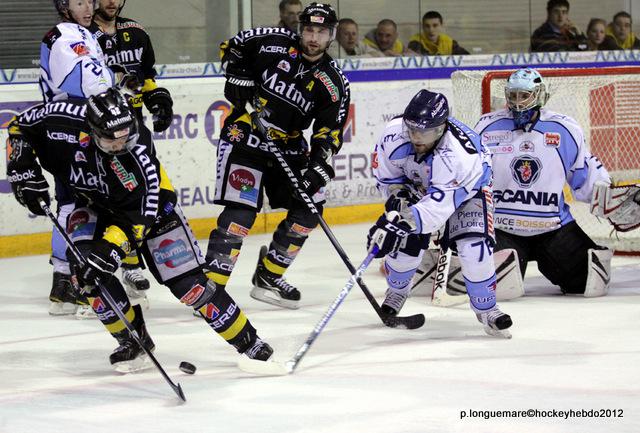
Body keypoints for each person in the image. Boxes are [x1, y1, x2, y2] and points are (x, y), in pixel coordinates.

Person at [6, 89, 273, 372]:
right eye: (112, 139)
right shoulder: (61, 119)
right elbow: (19, 126)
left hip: (153, 213)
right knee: (85, 271)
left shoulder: (138, 152)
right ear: (92, 129)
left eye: (126, 135)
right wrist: (23, 173)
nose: (122, 144)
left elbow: (138, 217)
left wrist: (109, 250)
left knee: (190, 285)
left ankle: (249, 342)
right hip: (92, 204)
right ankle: (133, 339)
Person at [206, 2, 350, 309]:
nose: (313, 37)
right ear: (300, 29)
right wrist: (238, 74)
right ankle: (212, 286)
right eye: (309, 29)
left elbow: (329, 133)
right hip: (246, 136)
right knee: (240, 214)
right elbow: (232, 46)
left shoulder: (334, 82)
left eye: (321, 32)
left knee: (309, 210)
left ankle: (269, 276)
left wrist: (317, 166)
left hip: (289, 146)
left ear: (331, 36)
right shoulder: (272, 42)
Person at [367, 89, 513, 338]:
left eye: (425, 132)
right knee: (404, 245)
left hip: (468, 192)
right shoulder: (393, 134)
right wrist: (397, 199)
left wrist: (403, 222)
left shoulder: (459, 156)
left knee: (474, 248)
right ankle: (398, 291)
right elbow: (387, 178)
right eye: (412, 129)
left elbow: (438, 208)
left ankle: (488, 309)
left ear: (441, 127)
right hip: (416, 186)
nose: (416, 137)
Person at [474, 68, 613, 297]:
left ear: (538, 96)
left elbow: (584, 176)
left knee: (589, 283)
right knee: (498, 290)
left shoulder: (565, 128)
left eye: (524, 95)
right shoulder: (486, 127)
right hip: (501, 228)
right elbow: (470, 176)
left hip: (552, 227)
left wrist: (609, 198)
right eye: (514, 95)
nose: (518, 102)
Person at [92, 0, 174, 306]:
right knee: (104, 201)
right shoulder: (82, 36)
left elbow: (146, 77)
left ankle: (131, 263)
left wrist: (159, 100)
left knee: (142, 196)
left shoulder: (136, 32)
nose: (112, 1)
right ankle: (81, 269)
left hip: (135, 131)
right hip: (100, 133)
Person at [40, 0, 116, 316]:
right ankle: (74, 279)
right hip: (70, 128)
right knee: (79, 203)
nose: (87, 7)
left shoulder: (83, 34)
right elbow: (89, 81)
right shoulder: (64, 33)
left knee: (72, 201)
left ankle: (63, 283)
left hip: (70, 126)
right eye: (78, 2)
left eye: (89, 1)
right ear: (64, 6)